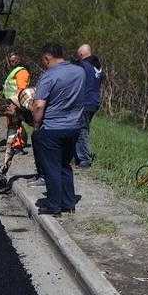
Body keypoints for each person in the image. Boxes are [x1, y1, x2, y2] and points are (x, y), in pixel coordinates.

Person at [30, 43, 86, 217]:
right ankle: (69, 203)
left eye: (44, 60)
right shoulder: (79, 72)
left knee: (51, 167)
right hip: (74, 127)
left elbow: (39, 106)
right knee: (64, 165)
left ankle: (54, 206)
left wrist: (36, 124)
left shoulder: (48, 76)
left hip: (52, 128)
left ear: (47, 58)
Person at [74, 44, 104, 168]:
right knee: (81, 128)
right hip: (94, 102)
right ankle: (76, 155)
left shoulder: (83, 65)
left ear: (81, 55)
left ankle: (84, 160)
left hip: (85, 102)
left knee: (81, 130)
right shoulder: (97, 66)